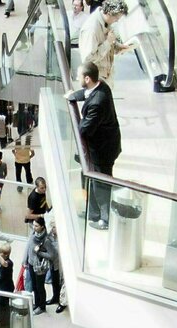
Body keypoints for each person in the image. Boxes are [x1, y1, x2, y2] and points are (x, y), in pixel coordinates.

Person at [65, 61, 120, 230]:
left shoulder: (98, 102)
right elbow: (87, 93)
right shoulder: (101, 86)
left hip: (103, 151)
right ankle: (93, 213)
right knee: (91, 180)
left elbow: (84, 129)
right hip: (100, 147)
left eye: (79, 76)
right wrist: (73, 96)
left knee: (101, 183)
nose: (76, 78)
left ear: (87, 78)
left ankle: (105, 219)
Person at [77, 0, 130, 85]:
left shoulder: (106, 23)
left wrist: (116, 46)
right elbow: (88, 59)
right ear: (109, 13)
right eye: (116, 18)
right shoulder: (91, 29)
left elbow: (104, 42)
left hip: (105, 76)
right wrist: (108, 42)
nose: (116, 21)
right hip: (95, 79)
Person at [26, 218, 61, 315]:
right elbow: (29, 247)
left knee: (39, 287)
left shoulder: (46, 240)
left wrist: (39, 252)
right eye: (33, 225)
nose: (34, 227)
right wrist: (25, 260)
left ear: (42, 226)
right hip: (31, 263)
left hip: (40, 267)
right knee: (34, 286)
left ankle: (41, 306)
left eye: (36, 226)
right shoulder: (33, 234)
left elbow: (52, 255)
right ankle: (37, 304)